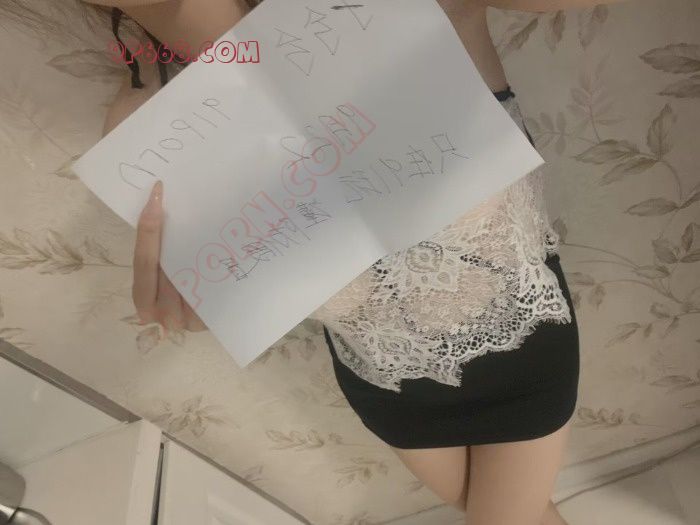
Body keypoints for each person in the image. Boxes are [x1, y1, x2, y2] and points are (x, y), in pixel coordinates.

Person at [74, 1, 629, 524]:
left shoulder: (411, 11)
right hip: (384, 383)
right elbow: (252, 280)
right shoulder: (142, 131)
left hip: (521, 348)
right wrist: (217, 301)